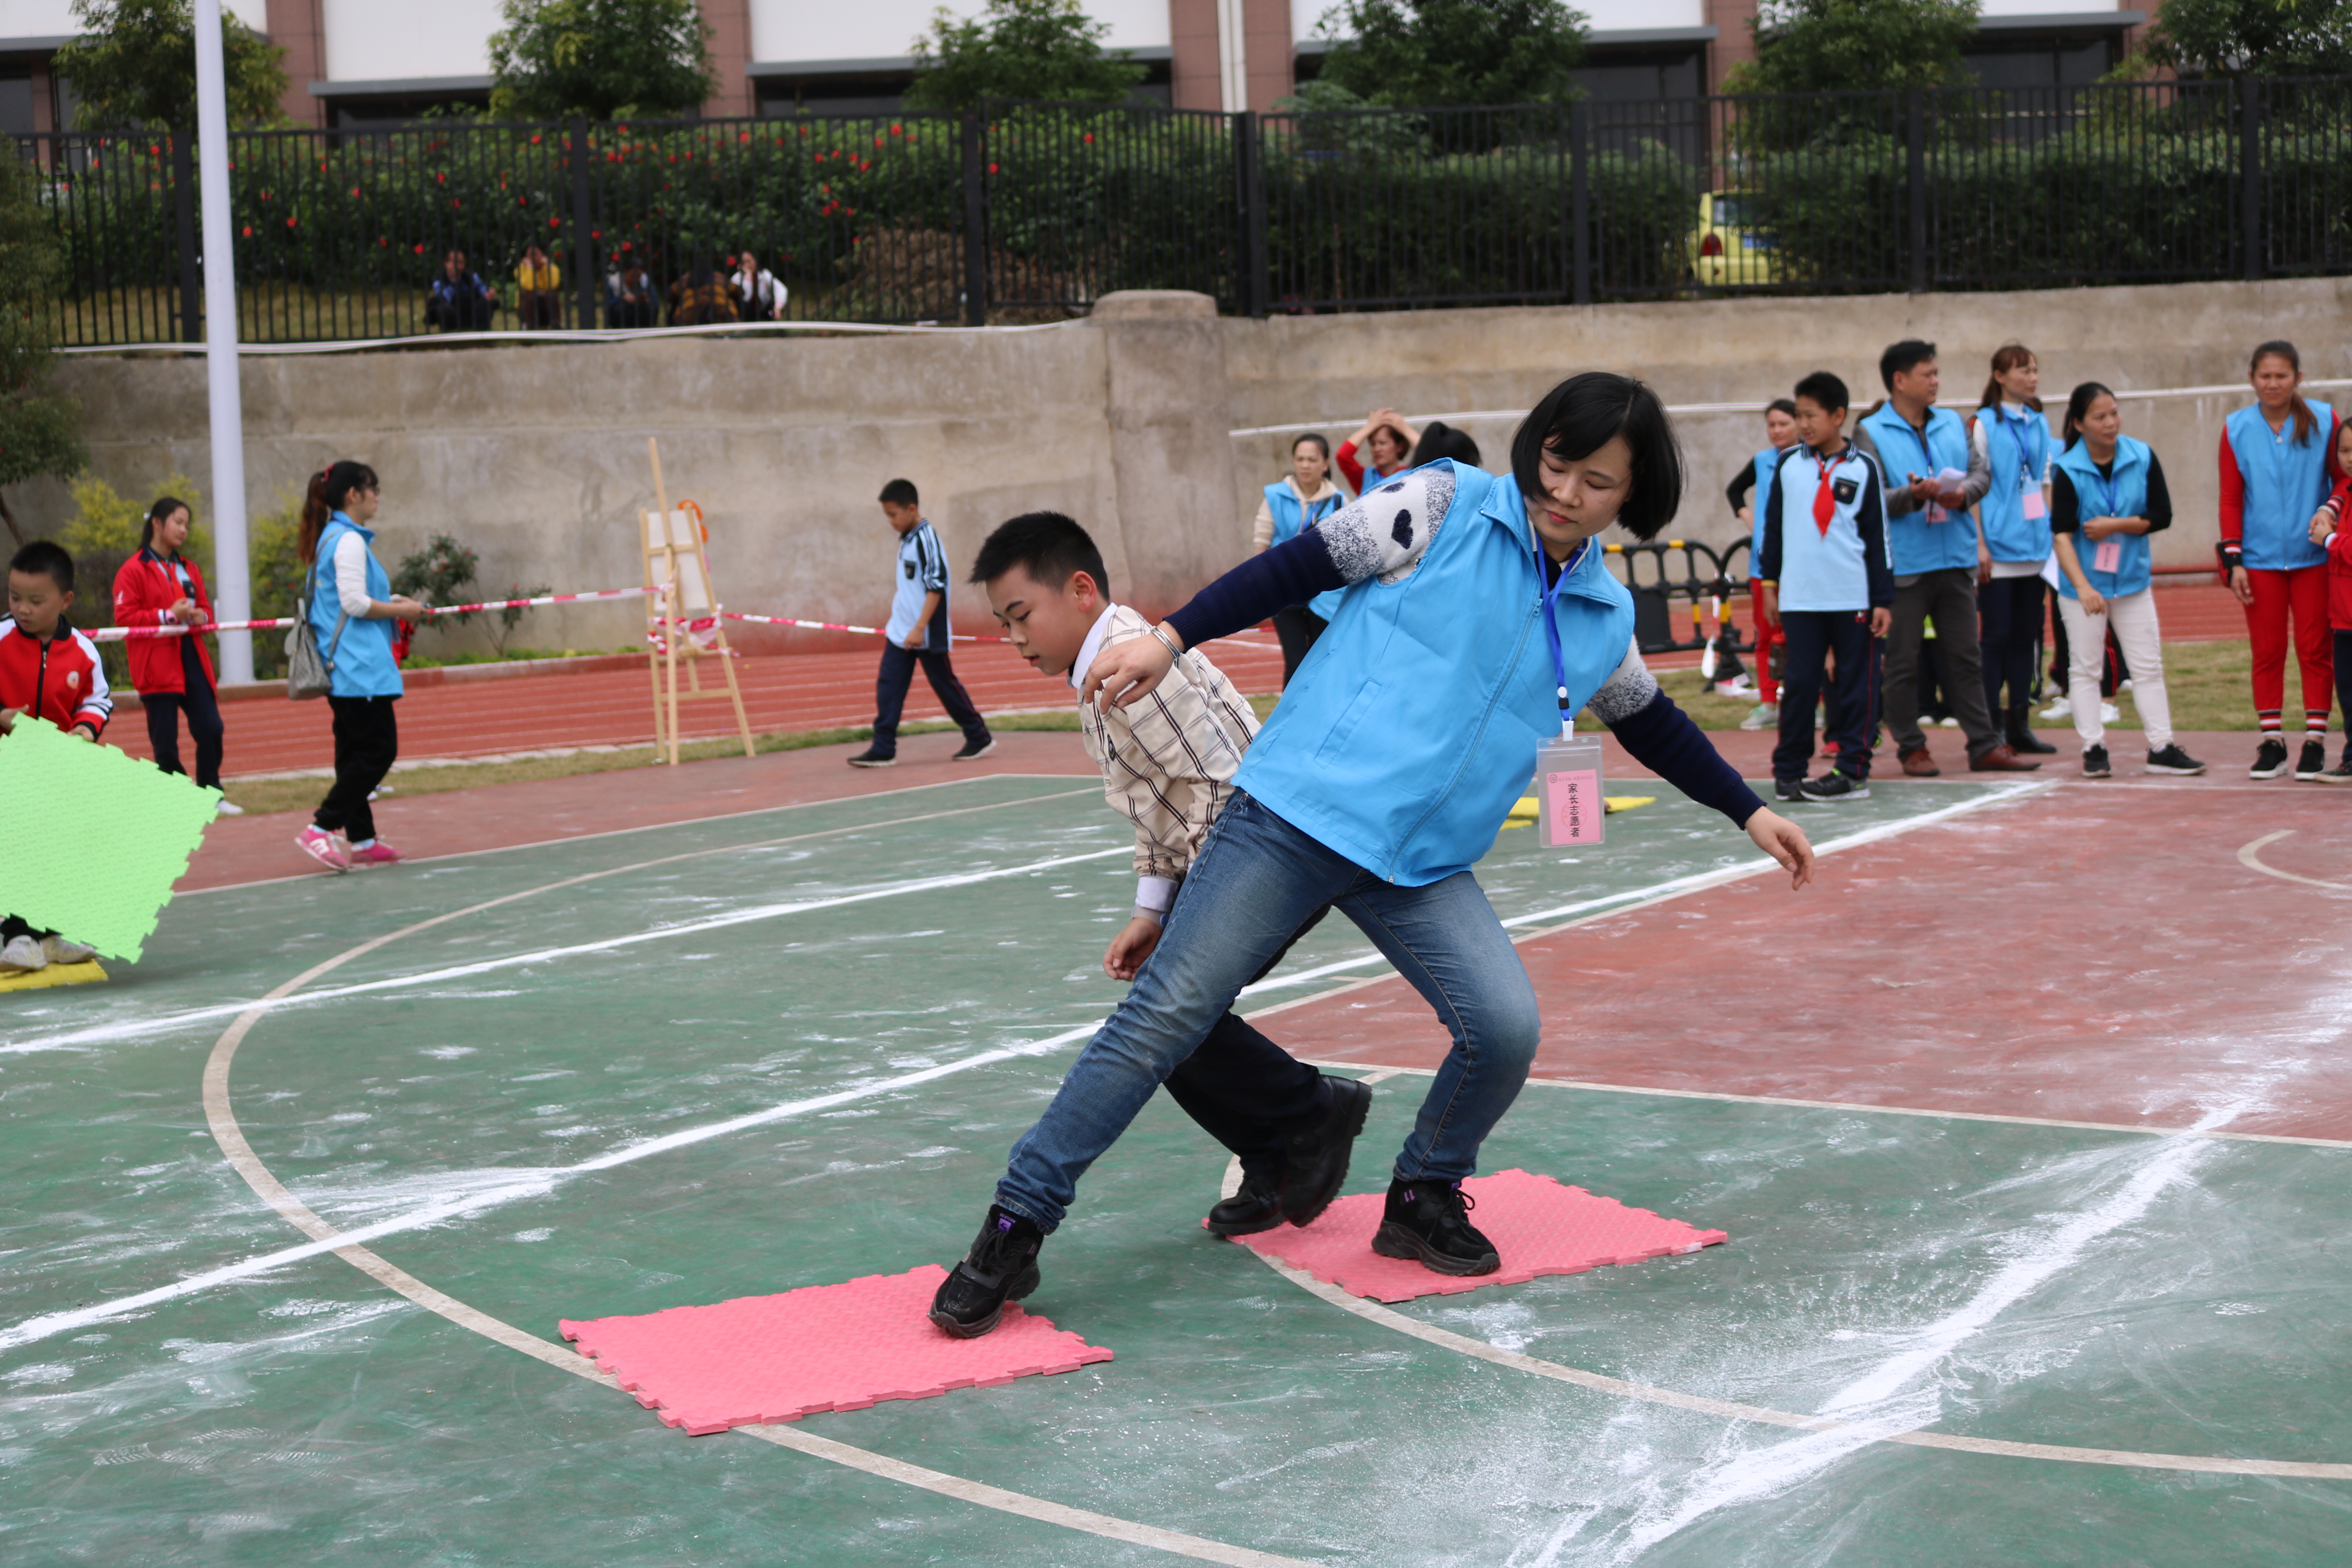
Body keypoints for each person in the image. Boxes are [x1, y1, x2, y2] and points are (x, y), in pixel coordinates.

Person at [926, 372, 1817, 1336]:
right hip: (1296, 810)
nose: (1565, 493)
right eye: (1558, 463)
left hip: (1420, 861)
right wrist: (1171, 640)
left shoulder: (1599, 614)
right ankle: (1017, 1222)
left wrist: (1746, 810)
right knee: (1167, 1014)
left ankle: (1424, 1189)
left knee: (1505, 1026)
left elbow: (1655, 725)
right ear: (1535, 447)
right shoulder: (1438, 504)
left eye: (1598, 483)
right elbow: (1294, 568)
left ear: (1631, 500)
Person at [956, 513, 1369, 1284]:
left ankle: (1308, 1114)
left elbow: (1223, 783)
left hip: (1273, 854)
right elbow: (1156, 800)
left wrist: (1195, 910)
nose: (1015, 637)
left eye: (1022, 615)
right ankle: (1286, 1136)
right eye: (1004, 623)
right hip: (1236, 856)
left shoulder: (1130, 663)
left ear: (1081, 590)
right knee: (1170, 1010)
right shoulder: (1102, 672)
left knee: (1167, 1015)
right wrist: (1154, 910)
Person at [1854, 339, 2038, 778]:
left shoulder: (1954, 423)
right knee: (1902, 663)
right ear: (1900, 381)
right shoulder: (1871, 431)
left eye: (1937, 374)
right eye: (1927, 374)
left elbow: (1982, 474)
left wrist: (1961, 495)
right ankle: (1911, 747)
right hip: (1905, 565)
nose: (1936, 381)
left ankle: (1985, 744)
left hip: (1954, 558)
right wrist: (1913, 496)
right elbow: (1870, 497)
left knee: (1966, 657)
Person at [2048, 383, 2205, 779]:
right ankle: (2093, 747)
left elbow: (2162, 515)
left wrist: (2115, 525)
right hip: (2084, 586)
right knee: (2085, 668)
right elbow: (2062, 535)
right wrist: (2084, 587)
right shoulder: (2067, 468)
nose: (2111, 423)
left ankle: (2162, 747)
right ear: (2080, 424)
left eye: (2114, 413)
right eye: (2100, 417)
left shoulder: (2141, 455)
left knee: (2148, 666)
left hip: (2133, 581)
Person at [1756, 372, 1893, 802]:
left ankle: (1852, 771)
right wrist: (1771, 584)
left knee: (1857, 685)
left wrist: (1883, 598)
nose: (1803, 424)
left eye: (1810, 415)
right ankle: (1790, 769)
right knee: (1799, 684)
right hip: (1800, 598)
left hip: (1852, 596)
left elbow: (1878, 539)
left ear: (1838, 416)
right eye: (1798, 415)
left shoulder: (1864, 467)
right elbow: (1773, 529)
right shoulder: (1789, 465)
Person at [293, 462, 426, 873]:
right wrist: (405, 610)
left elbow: (350, 598)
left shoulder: (334, 539)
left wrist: (392, 601)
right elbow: (354, 603)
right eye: (374, 489)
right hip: (358, 668)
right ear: (354, 494)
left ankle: (363, 839)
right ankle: (322, 827)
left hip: (349, 668)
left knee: (352, 754)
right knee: (379, 749)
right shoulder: (347, 540)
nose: (378, 497)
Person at [2221, 340, 2343, 779]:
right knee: (2267, 651)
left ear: (2298, 378)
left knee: (2315, 649)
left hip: (2313, 559)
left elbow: (2343, 479)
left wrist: (2329, 509)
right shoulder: (2235, 427)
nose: (2273, 384)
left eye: (2282, 376)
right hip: (2259, 560)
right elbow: (2231, 498)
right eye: (2265, 376)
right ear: (2252, 378)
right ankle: (2272, 741)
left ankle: (2315, 741)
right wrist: (2234, 559)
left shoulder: (2326, 420)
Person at [0, 540, 108, 974]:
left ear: (65, 600)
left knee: (61, 843)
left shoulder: (83, 650)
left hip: (61, 767)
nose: (22, 609)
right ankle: (16, 935)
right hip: (11, 765)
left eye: (35, 600)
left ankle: (52, 933)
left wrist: (85, 727)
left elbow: (97, 700)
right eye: (14, 597)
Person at [847, 479, 994, 768]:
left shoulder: (927, 539)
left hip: (925, 633)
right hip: (901, 631)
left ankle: (978, 736)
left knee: (945, 685)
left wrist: (919, 628)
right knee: (889, 685)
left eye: (893, 515)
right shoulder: (908, 540)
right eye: (887, 515)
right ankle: (883, 746)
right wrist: (905, 626)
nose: (890, 521)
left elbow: (936, 586)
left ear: (911, 509)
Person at [112, 495, 237, 815]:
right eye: (178, 522)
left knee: (212, 728)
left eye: (187, 525)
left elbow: (206, 610)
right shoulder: (133, 570)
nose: (184, 530)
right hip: (157, 663)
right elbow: (125, 619)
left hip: (191, 656)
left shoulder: (188, 568)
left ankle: (211, 792)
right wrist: (167, 616)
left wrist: (201, 618)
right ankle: (177, 797)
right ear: (157, 523)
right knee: (165, 742)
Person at [1969, 344, 2058, 757]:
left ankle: (2020, 722)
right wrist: (1980, 544)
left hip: (2033, 546)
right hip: (1998, 548)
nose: (2033, 377)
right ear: (2000, 376)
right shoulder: (1983, 424)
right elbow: (1974, 487)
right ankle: (1990, 726)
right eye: (2024, 370)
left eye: (2036, 370)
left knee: (2027, 637)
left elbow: (2043, 482)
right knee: (1997, 638)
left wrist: (2049, 533)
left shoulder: (2039, 421)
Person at [1728, 398, 1801, 731]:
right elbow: (1735, 491)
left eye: (1784, 423)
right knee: (1766, 635)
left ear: (1799, 424)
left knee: (1805, 636)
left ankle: (1811, 704)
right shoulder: (1762, 461)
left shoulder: (1810, 459)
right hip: (1765, 565)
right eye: (1772, 425)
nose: (1777, 431)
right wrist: (1752, 523)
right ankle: (1769, 703)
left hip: (1802, 565)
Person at [1250, 432, 1346, 683]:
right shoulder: (1275, 496)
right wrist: (1262, 583)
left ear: (1325, 464)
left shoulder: (1339, 500)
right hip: (1285, 588)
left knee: (1321, 662)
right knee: (1295, 663)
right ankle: (1289, 722)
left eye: (1312, 460)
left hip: (1324, 593)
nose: (1305, 465)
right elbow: (1262, 539)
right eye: (1300, 459)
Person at [2306, 421, 2352, 780]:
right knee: (2349, 696)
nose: (2350, 459)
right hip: (2344, 619)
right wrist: (2330, 506)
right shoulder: (2346, 491)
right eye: (2345, 451)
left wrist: (2331, 540)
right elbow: (2339, 489)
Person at [1335, 406, 1418, 496]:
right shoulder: (1364, 478)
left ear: (1399, 447)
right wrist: (1370, 426)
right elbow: (1343, 456)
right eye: (1373, 444)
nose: (1377, 449)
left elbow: (1431, 454)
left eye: (1383, 443)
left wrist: (1405, 428)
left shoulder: (1413, 474)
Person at [426, 250, 495, 332]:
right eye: (455, 263)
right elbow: (445, 298)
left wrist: (489, 294)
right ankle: (448, 335)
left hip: (471, 313)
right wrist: (456, 283)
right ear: (446, 263)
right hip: (453, 315)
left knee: (487, 303)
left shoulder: (471, 276)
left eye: (461, 263)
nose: (459, 267)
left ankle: (483, 333)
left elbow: (482, 289)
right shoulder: (439, 280)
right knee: (443, 309)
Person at [669, 261, 737, 326]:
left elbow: (669, 295)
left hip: (687, 318)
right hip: (723, 317)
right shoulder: (720, 277)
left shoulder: (685, 279)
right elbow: (740, 292)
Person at [514, 244, 563, 330]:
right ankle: (529, 327)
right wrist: (530, 268)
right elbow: (528, 287)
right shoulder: (521, 269)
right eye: (530, 255)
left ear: (542, 255)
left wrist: (548, 267)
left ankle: (556, 325)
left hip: (546, 306)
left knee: (551, 295)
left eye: (536, 254)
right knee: (530, 295)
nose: (534, 257)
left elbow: (553, 285)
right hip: (529, 307)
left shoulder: (551, 268)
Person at [731, 249, 786, 321]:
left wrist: (778, 308)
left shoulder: (764, 274)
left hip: (763, 310)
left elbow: (781, 290)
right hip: (746, 314)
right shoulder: (736, 279)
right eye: (744, 263)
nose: (747, 265)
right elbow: (746, 298)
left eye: (749, 262)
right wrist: (748, 276)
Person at [606, 262, 659, 329]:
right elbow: (608, 305)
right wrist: (622, 298)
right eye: (633, 276)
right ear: (625, 272)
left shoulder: (645, 281)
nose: (636, 279)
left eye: (639, 276)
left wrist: (645, 300)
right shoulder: (614, 282)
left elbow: (655, 304)